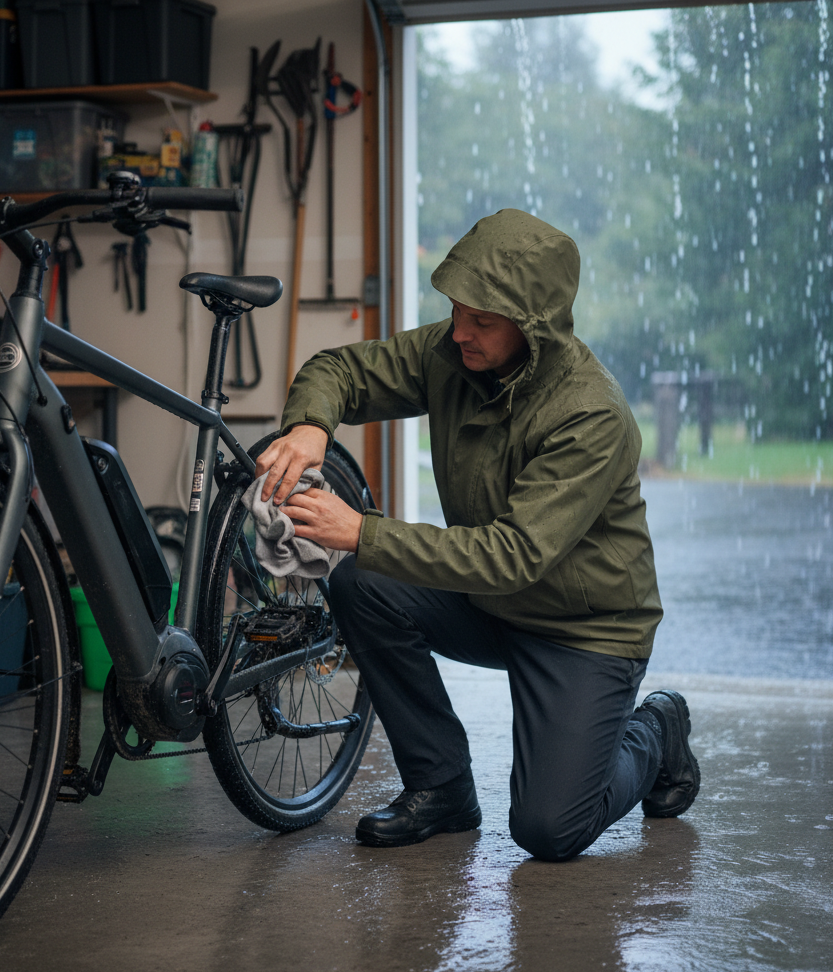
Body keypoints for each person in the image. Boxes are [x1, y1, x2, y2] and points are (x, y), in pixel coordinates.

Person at [255, 209, 699, 861]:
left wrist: (361, 529)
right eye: (457, 309)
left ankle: (658, 729)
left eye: (482, 320)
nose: (459, 331)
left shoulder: (591, 415)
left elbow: (514, 556)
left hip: (584, 629)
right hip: (492, 604)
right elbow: (340, 371)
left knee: (550, 830)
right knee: (365, 582)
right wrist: (311, 426)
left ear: (534, 323)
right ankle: (441, 789)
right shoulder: (456, 352)